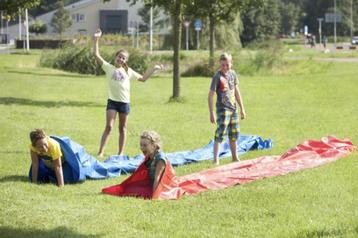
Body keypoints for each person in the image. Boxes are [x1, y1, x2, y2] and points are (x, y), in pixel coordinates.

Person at [93, 29, 163, 157]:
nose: (121, 59)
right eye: (119, 57)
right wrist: (96, 39)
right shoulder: (108, 68)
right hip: (112, 102)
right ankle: (101, 152)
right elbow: (97, 55)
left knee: (122, 129)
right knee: (109, 126)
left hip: (124, 103)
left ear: (125, 60)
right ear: (116, 57)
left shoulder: (128, 71)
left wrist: (154, 69)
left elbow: (143, 79)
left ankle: (120, 153)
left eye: (123, 58)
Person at [208, 53, 246, 165]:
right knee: (220, 133)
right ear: (220, 64)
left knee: (234, 133)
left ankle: (235, 157)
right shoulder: (217, 77)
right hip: (223, 109)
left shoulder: (233, 74)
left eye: (227, 65)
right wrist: (211, 113)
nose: (225, 67)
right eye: (222, 65)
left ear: (231, 64)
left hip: (233, 109)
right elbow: (210, 95)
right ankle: (216, 159)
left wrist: (242, 108)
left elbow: (237, 92)